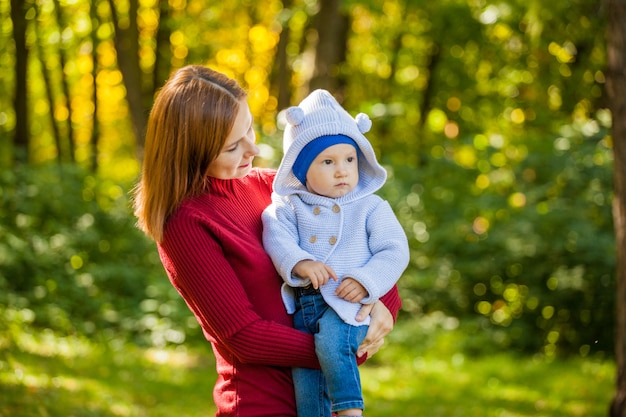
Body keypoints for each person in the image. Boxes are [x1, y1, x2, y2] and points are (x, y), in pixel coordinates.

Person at [132, 65, 403, 417]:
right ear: (191, 152)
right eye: (232, 146)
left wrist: (385, 304)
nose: (254, 149)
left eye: (249, 129)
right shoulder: (187, 223)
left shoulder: (274, 187)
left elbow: (364, 237)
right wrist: (346, 348)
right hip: (263, 405)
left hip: (327, 399)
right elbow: (244, 336)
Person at [262, 90, 410, 417]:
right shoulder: (288, 206)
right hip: (306, 305)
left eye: (349, 159)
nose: (342, 170)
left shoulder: (370, 207)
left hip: (349, 303)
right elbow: (276, 236)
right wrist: (300, 261)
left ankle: (350, 411)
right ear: (301, 169)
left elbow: (394, 249)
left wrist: (367, 280)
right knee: (308, 381)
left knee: (331, 343)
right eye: (327, 162)